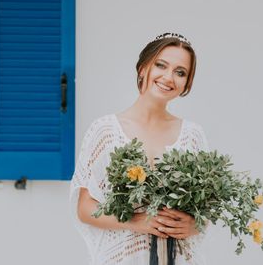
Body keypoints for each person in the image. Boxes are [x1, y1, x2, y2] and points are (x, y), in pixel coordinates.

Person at [70, 33, 210, 265]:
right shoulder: (106, 131)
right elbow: (85, 208)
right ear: (143, 68)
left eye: (180, 72)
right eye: (161, 65)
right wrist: (136, 221)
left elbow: (205, 213)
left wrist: (193, 224)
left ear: (186, 83)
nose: (168, 77)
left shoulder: (192, 136)